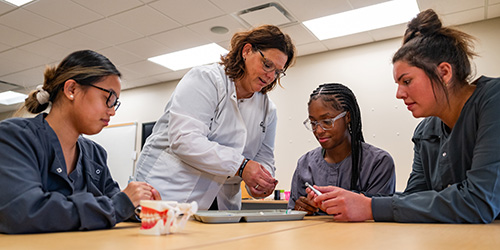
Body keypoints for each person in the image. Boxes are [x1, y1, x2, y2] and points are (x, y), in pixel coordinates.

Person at [307, 9, 500, 223]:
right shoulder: (425, 131)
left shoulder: (493, 102)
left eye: (406, 81)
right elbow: (413, 199)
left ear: (444, 72)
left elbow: (479, 202)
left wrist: (370, 206)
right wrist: (354, 201)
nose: (399, 94)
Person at [134, 25, 296, 210]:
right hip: (170, 192)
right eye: (267, 65)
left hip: (220, 204)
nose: (270, 76)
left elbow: (264, 156)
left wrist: (261, 181)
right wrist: (241, 166)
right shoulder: (206, 79)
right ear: (247, 51)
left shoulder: (268, 110)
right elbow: (184, 139)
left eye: (277, 72)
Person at [0, 50, 161, 234]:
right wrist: (121, 204)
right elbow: (23, 212)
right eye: (109, 98)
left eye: (115, 103)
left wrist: (138, 207)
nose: (112, 111)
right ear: (72, 90)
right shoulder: (15, 137)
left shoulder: (95, 153)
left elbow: (113, 200)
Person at [288, 83, 396, 215]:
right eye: (313, 123)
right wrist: (301, 210)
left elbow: (381, 212)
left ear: (347, 117)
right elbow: (293, 214)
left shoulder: (378, 162)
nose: (319, 130)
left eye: (327, 122)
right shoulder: (305, 164)